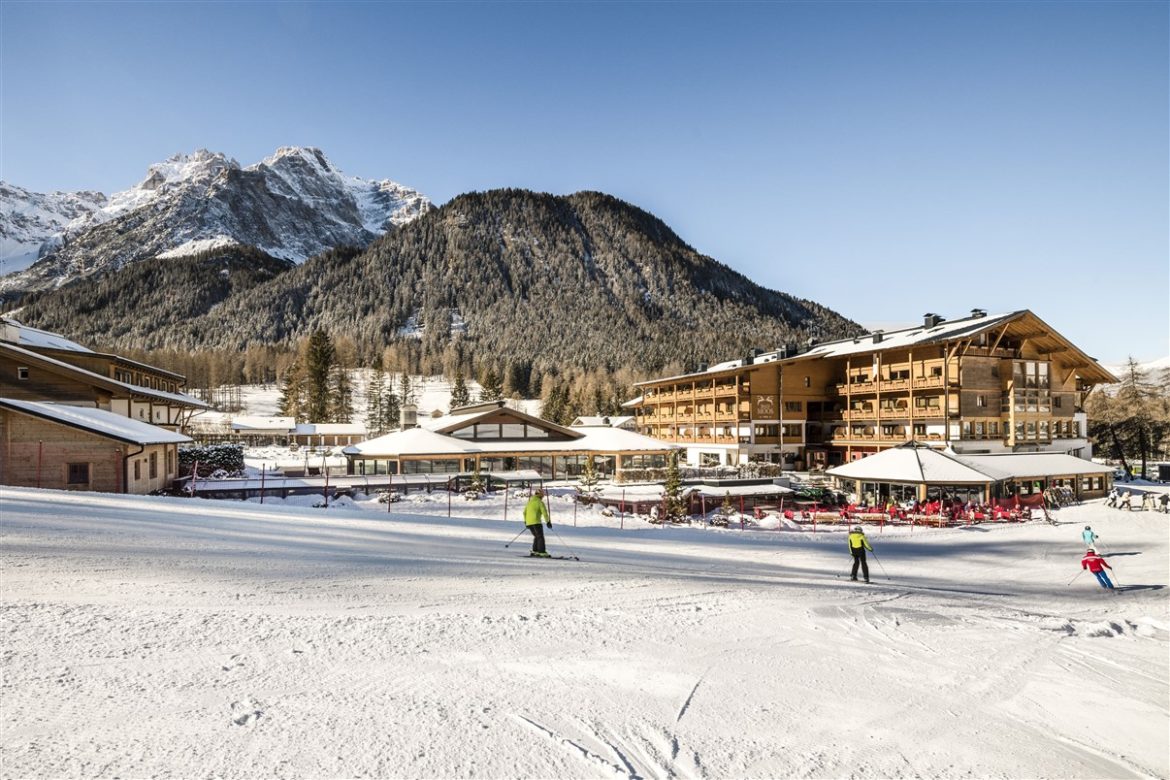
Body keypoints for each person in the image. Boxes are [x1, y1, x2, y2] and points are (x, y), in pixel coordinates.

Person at [523, 488, 552, 557]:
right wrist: (548, 522)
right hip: (536, 522)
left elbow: (524, 513)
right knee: (540, 537)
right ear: (541, 495)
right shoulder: (539, 502)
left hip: (529, 523)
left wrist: (526, 522)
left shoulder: (529, 502)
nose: (542, 497)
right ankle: (542, 551)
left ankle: (535, 551)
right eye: (542, 496)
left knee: (536, 536)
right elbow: (544, 512)